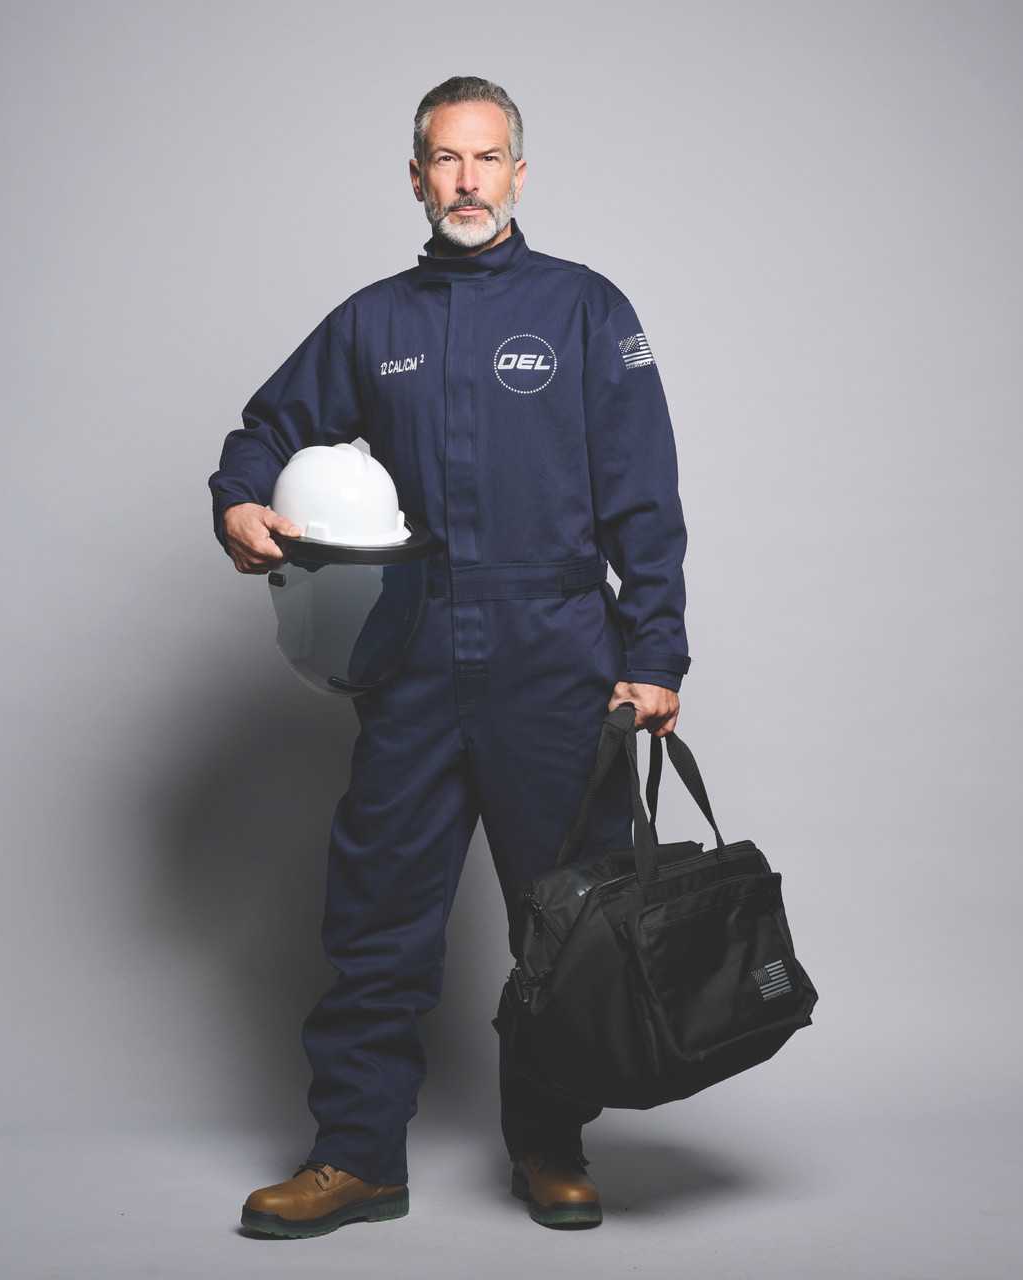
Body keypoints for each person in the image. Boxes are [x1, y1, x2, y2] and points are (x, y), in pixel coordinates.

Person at [209, 75, 690, 1236]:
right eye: (444, 158)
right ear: (416, 177)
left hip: (556, 653)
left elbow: (643, 493)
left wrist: (655, 651)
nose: (465, 180)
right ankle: (356, 1153)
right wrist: (237, 499)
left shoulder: (584, 309)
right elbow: (265, 430)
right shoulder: (372, 323)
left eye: (485, 158)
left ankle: (550, 1143)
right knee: (377, 913)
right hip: (414, 655)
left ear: (517, 173)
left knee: (565, 918)